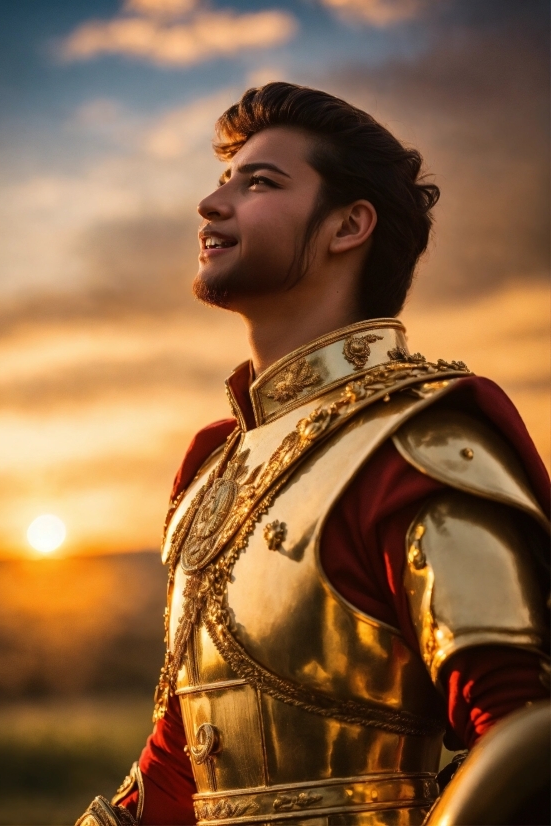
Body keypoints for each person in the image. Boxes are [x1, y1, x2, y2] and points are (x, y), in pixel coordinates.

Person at [76, 83, 549, 826]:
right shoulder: (213, 466)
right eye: (224, 178)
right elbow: (180, 757)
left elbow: (525, 740)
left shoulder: (414, 443)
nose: (211, 202)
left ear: (348, 225)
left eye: (259, 182)